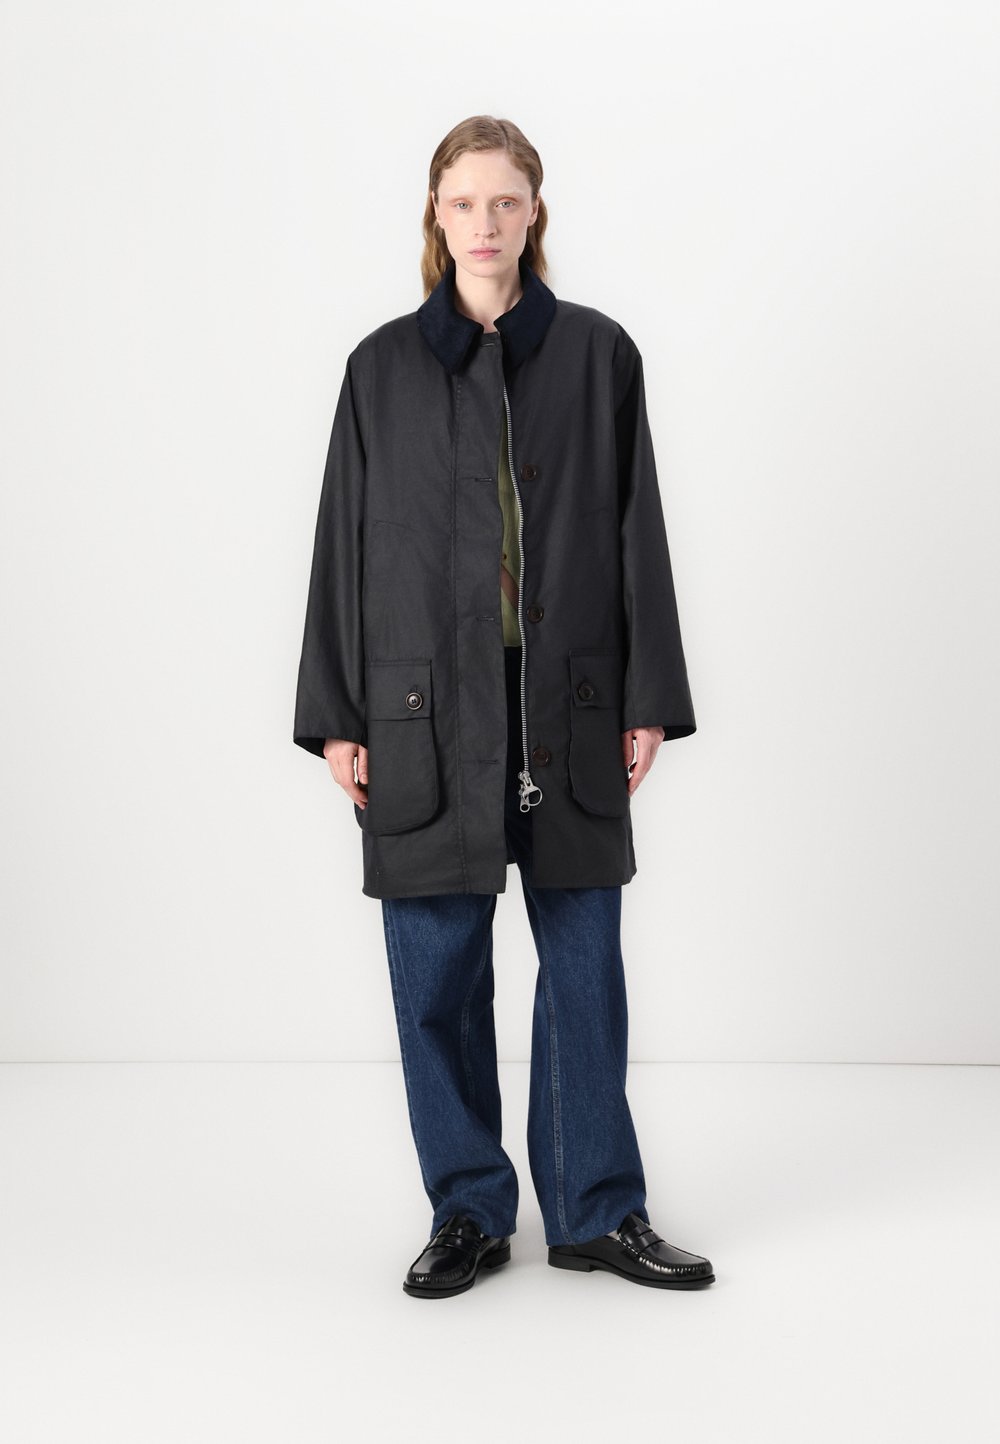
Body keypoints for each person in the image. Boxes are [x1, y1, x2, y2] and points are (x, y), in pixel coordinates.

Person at [293, 115, 715, 1297]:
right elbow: (341, 546)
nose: (484, 223)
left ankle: (595, 1209)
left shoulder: (596, 354)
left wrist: (646, 696)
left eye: (505, 201)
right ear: (436, 216)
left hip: (567, 703)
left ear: (535, 213)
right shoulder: (380, 369)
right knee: (436, 976)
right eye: (463, 202)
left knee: (584, 969)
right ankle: (469, 1210)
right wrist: (339, 712)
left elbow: (636, 531)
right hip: (425, 711)